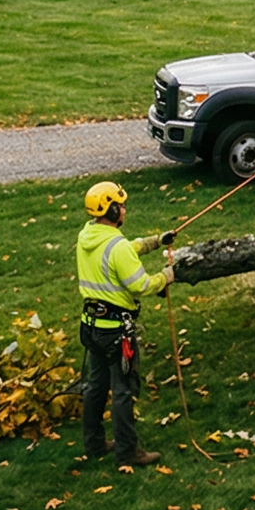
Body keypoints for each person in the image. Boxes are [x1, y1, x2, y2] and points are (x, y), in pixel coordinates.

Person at [76, 180, 173, 469]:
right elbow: (140, 284)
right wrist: (166, 277)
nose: (125, 210)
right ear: (113, 209)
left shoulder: (87, 235)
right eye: (122, 205)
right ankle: (128, 452)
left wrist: (156, 241)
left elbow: (124, 250)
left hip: (91, 326)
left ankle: (94, 443)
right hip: (116, 332)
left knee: (96, 386)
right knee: (123, 391)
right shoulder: (115, 246)